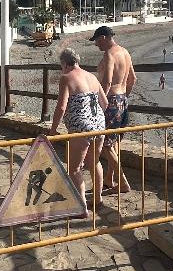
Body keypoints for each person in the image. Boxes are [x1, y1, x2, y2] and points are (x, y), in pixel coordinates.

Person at [47, 48, 108, 210]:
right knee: (94, 162)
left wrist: (53, 130)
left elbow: (61, 107)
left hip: (81, 127)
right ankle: (97, 199)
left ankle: (81, 207)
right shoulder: (92, 77)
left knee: (74, 169)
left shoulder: (66, 78)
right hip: (99, 126)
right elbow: (105, 103)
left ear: (65, 64)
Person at [89, 26, 135, 195]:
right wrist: (124, 98)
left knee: (107, 145)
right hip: (122, 100)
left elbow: (107, 83)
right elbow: (133, 78)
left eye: (96, 40)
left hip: (111, 101)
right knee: (113, 143)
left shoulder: (109, 55)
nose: (96, 45)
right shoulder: (125, 52)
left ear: (103, 37)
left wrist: (100, 103)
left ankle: (123, 182)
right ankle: (109, 179)